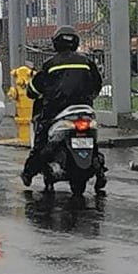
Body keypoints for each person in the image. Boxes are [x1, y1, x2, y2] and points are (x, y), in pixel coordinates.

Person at [20, 27, 104, 187]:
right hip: (84, 109)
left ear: (56, 43)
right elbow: (97, 84)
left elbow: (33, 90)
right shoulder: (87, 62)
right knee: (93, 141)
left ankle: (29, 173)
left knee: (41, 141)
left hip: (56, 110)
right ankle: (100, 172)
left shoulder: (50, 64)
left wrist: (34, 92)